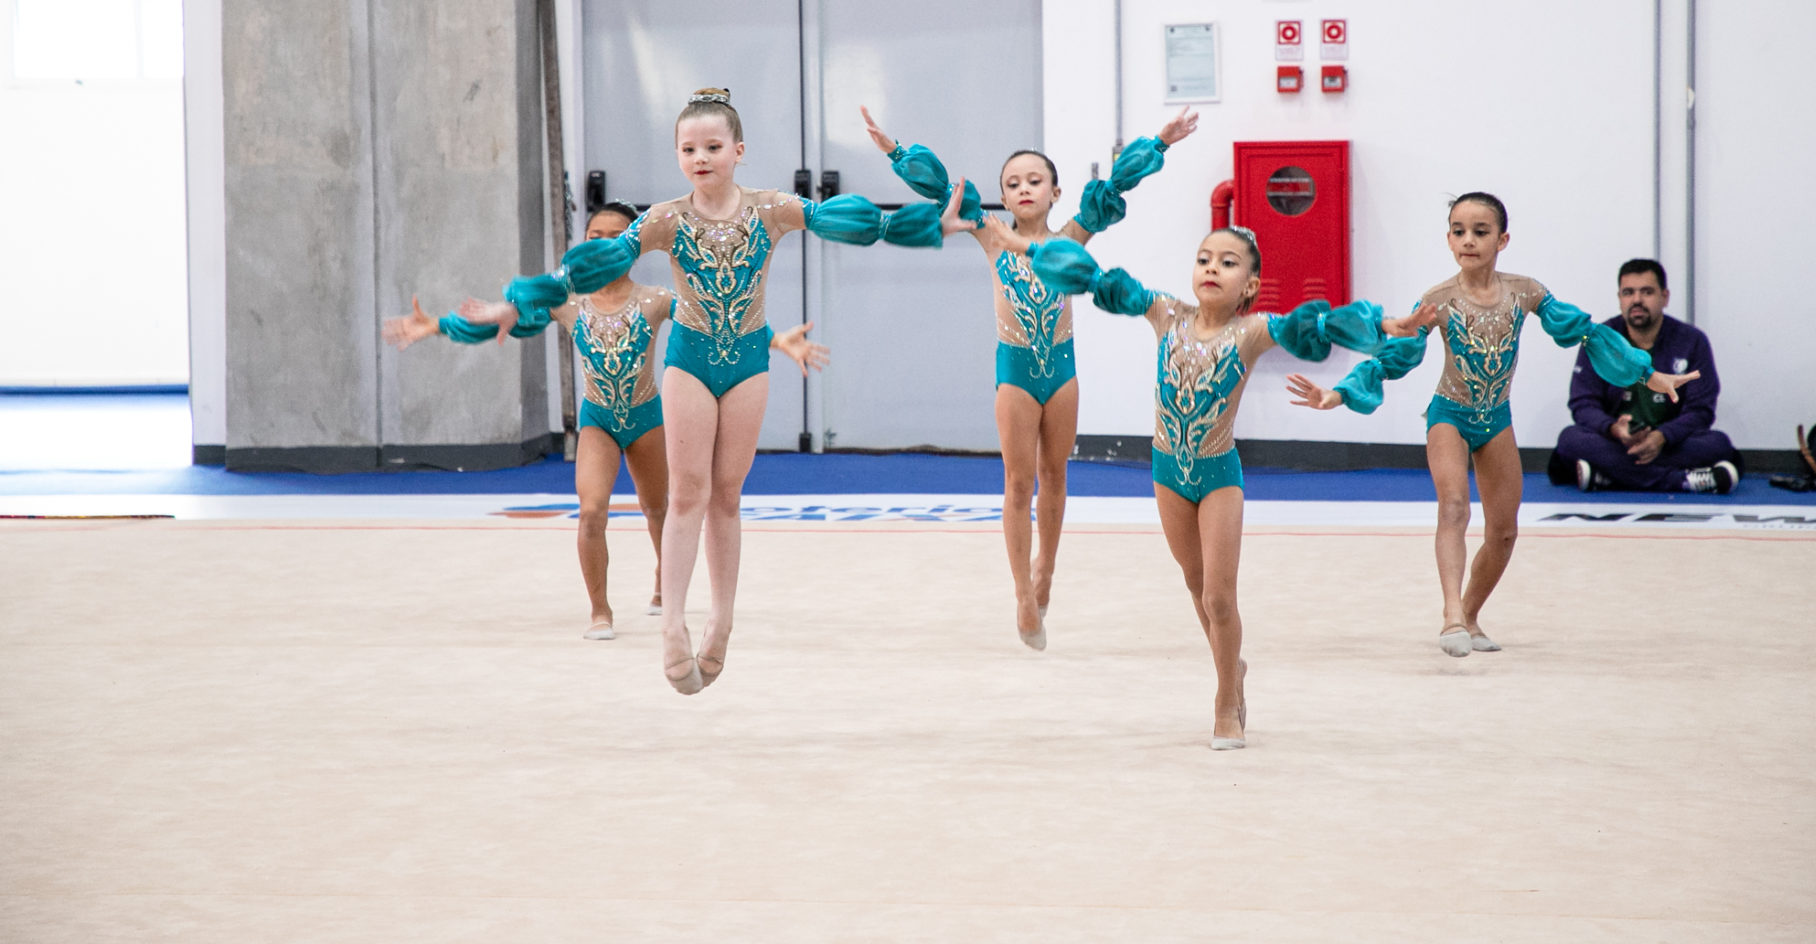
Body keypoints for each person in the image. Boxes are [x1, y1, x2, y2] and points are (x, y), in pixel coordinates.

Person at [528, 88, 976, 694]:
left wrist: (926, 226)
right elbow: (596, 261)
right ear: (678, 155)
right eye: (689, 149)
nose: (700, 158)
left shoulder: (772, 208)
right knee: (688, 493)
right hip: (689, 360)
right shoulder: (664, 217)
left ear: (739, 150)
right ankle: (674, 626)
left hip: (745, 364)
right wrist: (524, 296)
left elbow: (855, 223)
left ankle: (723, 620)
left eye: (713, 146)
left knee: (728, 498)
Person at [993, 220, 1420, 749]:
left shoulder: (1255, 330)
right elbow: (1095, 278)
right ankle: (1232, 670)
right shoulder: (1165, 313)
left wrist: (1386, 323)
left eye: (1228, 262)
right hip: (1167, 473)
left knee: (1220, 598)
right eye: (1204, 258)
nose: (1212, 268)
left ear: (1251, 285)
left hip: (1218, 475)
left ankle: (1224, 701)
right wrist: (1024, 246)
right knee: (1196, 589)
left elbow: (1324, 325)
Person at [384, 200, 828, 641]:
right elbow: (508, 321)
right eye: (594, 237)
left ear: (629, 246)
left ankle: (662, 583)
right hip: (598, 421)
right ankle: (600, 610)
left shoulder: (655, 299)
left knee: (660, 510)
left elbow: (711, 318)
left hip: (647, 419)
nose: (603, 244)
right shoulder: (568, 303)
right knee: (592, 511)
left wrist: (776, 339)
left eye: (615, 237)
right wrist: (440, 325)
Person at [1287, 193, 1699, 659]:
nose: (1469, 240)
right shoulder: (1437, 300)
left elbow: (1587, 332)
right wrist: (1337, 393)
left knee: (1504, 532)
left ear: (1502, 239)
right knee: (1454, 508)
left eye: (1481, 231)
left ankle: (1471, 613)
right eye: (1459, 231)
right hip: (1450, 414)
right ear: (1448, 239)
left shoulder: (1525, 292)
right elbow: (1393, 357)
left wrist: (1648, 373)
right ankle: (1450, 617)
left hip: (1496, 419)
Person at [859, 105, 1200, 650]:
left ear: (1055, 192)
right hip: (1016, 373)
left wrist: (1160, 141)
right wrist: (895, 151)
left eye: (1034, 180)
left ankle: (1047, 570)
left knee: (1056, 475)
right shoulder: (991, 235)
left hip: (1061, 372)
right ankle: (1022, 591)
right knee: (1019, 483)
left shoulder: (1072, 238)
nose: (1022, 189)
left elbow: (1113, 186)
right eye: (1012, 183)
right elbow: (942, 187)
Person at [1546, 258, 1742, 494]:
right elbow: (1583, 403)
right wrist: (1613, 429)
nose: (1637, 300)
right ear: (1620, 298)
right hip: (1617, 442)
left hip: (1670, 443)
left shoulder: (1692, 341)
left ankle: (1610, 478)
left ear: (1665, 297)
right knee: (1570, 439)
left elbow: (1701, 410)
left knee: (1718, 444)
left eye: (1647, 292)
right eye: (1628, 292)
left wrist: (1662, 437)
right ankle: (1682, 481)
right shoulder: (1598, 340)